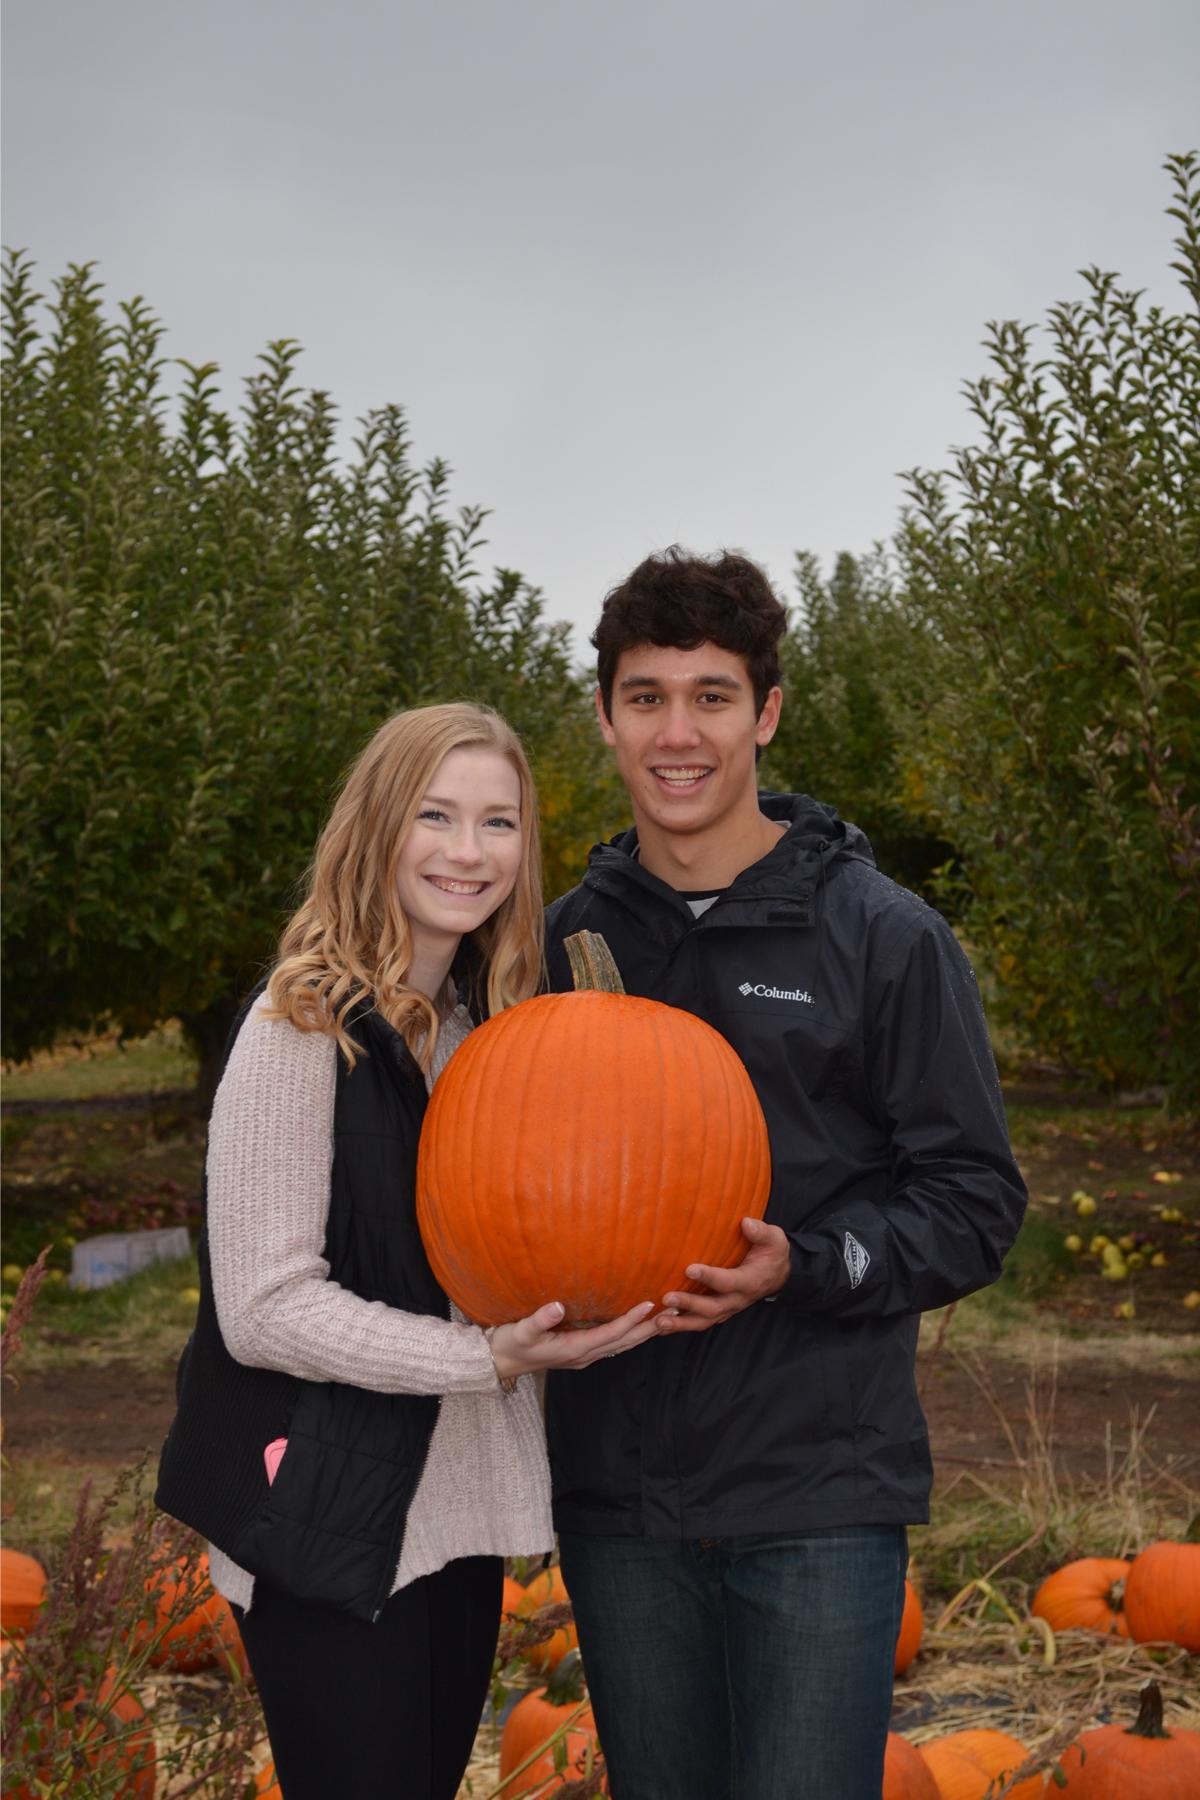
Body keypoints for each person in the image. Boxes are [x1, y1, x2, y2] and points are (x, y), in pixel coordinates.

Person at [542, 549, 1028, 1800]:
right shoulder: (559, 948)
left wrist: (803, 1267)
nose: (678, 731)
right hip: (615, 1494)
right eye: (646, 697)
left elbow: (974, 1201)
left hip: (818, 1486)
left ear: (766, 712)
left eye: (712, 695)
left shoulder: (884, 937)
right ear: (604, 718)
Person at [156, 702, 659, 1800]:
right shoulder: (301, 1027)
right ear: (379, 827)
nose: (468, 852)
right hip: (323, 1507)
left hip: (453, 1508)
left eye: (499, 822)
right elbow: (266, 1307)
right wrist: (489, 1360)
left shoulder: (489, 1036)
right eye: (436, 815)